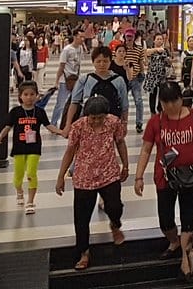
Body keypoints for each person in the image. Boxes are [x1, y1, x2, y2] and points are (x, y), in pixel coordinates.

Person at [135, 81, 193, 275]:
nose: (171, 106)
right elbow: (146, 149)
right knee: (165, 219)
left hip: (190, 176)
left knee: (188, 218)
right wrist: (138, 177)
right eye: (166, 102)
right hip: (165, 177)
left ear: (181, 99)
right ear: (161, 103)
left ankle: (185, 258)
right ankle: (174, 241)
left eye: (174, 101)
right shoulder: (155, 122)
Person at [55, 95, 128, 270]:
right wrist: (61, 176)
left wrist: (125, 165)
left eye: (100, 118)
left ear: (106, 115)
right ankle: (84, 252)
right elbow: (70, 151)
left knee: (115, 206)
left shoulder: (113, 122)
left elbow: (120, 142)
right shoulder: (78, 126)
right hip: (84, 178)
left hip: (108, 173)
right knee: (81, 219)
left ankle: (115, 224)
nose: (96, 121)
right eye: (93, 118)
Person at [0, 81, 62, 214]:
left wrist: (61, 132)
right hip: (19, 148)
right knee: (18, 176)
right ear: (20, 96)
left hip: (34, 148)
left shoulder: (40, 112)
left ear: (37, 95)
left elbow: (48, 126)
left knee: (31, 173)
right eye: (26, 94)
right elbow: (8, 126)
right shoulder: (15, 112)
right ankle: (19, 191)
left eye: (32, 94)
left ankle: (30, 201)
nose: (29, 97)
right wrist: (1, 136)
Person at [64, 45, 129, 129]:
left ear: (110, 61)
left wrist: (124, 124)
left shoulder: (119, 80)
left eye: (105, 61)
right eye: (98, 61)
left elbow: (124, 106)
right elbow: (74, 103)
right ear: (93, 62)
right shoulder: (84, 79)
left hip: (112, 125)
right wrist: (67, 125)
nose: (102, 64)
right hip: (88, 125)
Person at [52, 33, 82, 129]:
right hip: (65, 79)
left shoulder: (80, 48)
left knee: (74, 102)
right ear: (75, 37)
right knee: (60, 104)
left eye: (83, 37)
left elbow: (78, 65)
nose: (82, 39)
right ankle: (53, 123)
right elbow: (61, 66)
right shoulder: (67, 50)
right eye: (80, 37)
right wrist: (56, 81)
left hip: (75, 79)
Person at [144, 35, 173, 114]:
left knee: (162, 92)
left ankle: (160, 108)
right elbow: (146, 53)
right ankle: (152, 110)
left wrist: (168, 60)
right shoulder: (151, 49)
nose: (159, 40)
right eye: (157, 39)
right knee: (152, 93)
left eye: (161, 39)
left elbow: (169, 62)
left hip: (162, 74)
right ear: (154, 40)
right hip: (152, 75)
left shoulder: (165, 50)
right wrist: (156, 49)